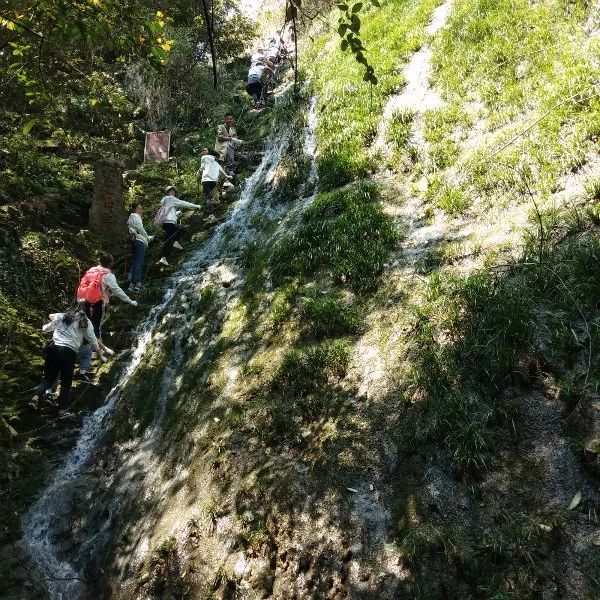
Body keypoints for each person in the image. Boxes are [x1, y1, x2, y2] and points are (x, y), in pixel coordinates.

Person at [29, 300, 104, 417]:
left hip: (53, 348)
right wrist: (100, 355)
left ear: (73, 306)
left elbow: (47, 327)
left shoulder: (63, 316)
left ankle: (35, 397)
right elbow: (93, 340)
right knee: (66, 382)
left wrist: (44, 326)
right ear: (88, 309)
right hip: (68, 352)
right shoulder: (85, 321)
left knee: (48, 378)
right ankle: (62, 411)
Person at [77, 253, 138, 356]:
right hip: (97, 302)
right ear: (111, 263)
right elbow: (117, 291)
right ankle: (94, 350)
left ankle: (82, 349)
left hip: (82, 300)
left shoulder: (92, 269)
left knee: (84, 323)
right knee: (96, 325)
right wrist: (129, 301)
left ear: (100, 261)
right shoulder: (108, 275)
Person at [155, 185, 201, 266]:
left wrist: (176, 213)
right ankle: (163, 258)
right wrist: (196, 206)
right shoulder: (170, 198)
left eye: (174, 192)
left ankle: (174, 244)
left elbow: (168, 212)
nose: (173, 193)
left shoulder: (165, 202)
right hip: (169, 222)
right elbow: (184, 203)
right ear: (168, 192)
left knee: (179, 230)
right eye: (171, 191)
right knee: (170, 239)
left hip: (165, 223)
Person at [127, 204, 154, 292]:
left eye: (142, 209)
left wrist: (148, 237)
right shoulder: (135, 215)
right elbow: (139, 227)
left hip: (134, 241)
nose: (141, 211)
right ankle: (138, 284)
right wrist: (147, 237)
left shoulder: (131, 218)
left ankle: (131, 285)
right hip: (139, 241)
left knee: (135, 262)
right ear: (135, 210)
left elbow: (136, 230)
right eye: (139, 209)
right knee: (139, 262)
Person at [214, 114, 241, 181]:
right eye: (227, 119)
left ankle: (228, 175)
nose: (229, 120)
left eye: (231, 119)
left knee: (232, 160)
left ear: (233, 120)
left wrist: (235, 137)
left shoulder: (232, 129)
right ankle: (223, 177)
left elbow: (234, 139)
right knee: (220, 164)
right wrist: (231, 138)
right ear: (225, 120)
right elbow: (220, 137)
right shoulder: (221, 127)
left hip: (230, 149)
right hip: (221, 149)